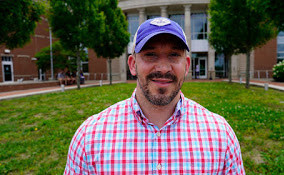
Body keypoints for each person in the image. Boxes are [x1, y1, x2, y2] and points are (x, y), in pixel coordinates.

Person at [64, 17, 245, 174]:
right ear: (132, 64)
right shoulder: (89, 137)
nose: (164, 68)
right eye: (150, 54)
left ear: (187, 66)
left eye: (174, 55)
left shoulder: (221, 136)